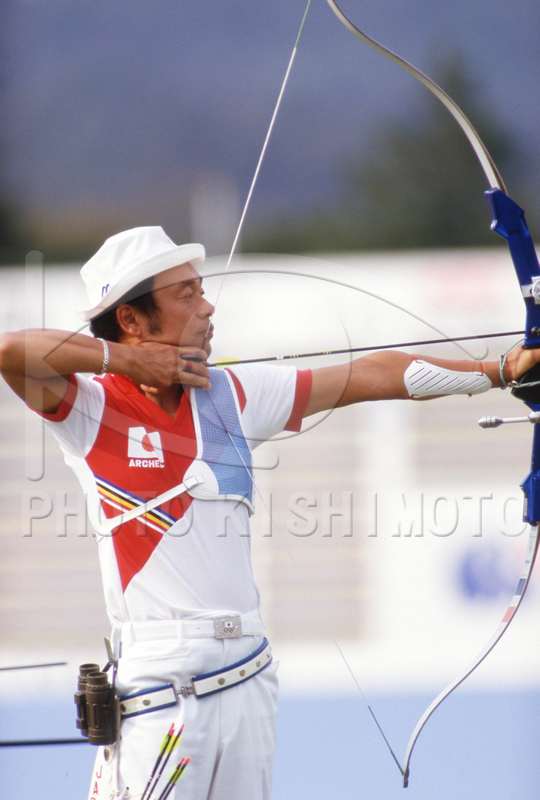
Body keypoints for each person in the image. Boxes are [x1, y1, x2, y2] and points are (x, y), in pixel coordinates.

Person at [0, 226, 536, 800]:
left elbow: (372, 376)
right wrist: (128, 362)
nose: (207, 307)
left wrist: (500, 371)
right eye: (186, 294)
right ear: (131, 319)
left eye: (202, 290)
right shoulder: (90, 407)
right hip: (158, 695)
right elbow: (10, 351)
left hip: (248, 682)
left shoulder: (232, 393)